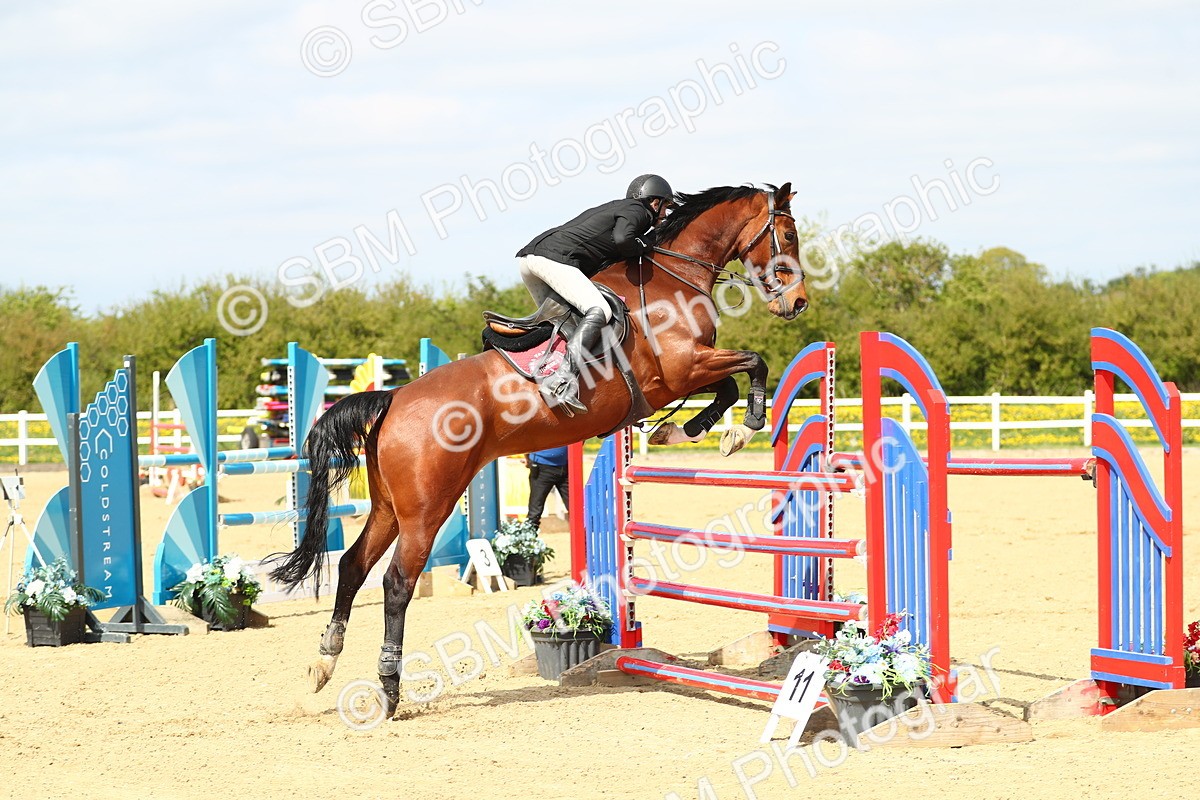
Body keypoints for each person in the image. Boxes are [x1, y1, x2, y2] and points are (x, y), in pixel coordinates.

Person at [515, 173, 675, 414]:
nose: (664, 215)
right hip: (552, 260)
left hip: (531, 261)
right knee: (600, 310)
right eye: (665, 208)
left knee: (565, 322)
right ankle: (561, 380)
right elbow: (624, 239)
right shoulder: (638, 211)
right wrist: (648, 242)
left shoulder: (618, 208)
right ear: (655, 202)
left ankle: (543, 370)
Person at [524, 446, 569, 530]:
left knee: (577, 508)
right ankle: (529, 539)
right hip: (541, 466)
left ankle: (585, 540)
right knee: (535, 512)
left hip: (566, 465)